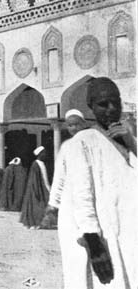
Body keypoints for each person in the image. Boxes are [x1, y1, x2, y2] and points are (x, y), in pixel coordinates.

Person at [58, 77, 137, 289]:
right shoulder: (82, 142)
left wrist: (132, 142)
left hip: (128, 233)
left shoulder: (126, 140)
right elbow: (81, 196)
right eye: (103, 104)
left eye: (116, 103)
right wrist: (94, 244)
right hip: (102, 236)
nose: (111, 109)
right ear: (91, 107)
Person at [40, 109, 87, 230]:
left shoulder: (92, 142)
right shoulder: (66, 147)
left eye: (77, 124)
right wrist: (53, 203)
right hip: (72, 197)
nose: (74, 128)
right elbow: (59, 177)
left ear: (84, 124)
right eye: (70, 125)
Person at [20, 147, 51, 229]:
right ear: (39, 154)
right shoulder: (36, 164)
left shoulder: (41, 163)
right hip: (36, 188)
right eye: (43, 153)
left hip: (41, 187)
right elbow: (35, 179)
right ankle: (33, 223)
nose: (45, 155)